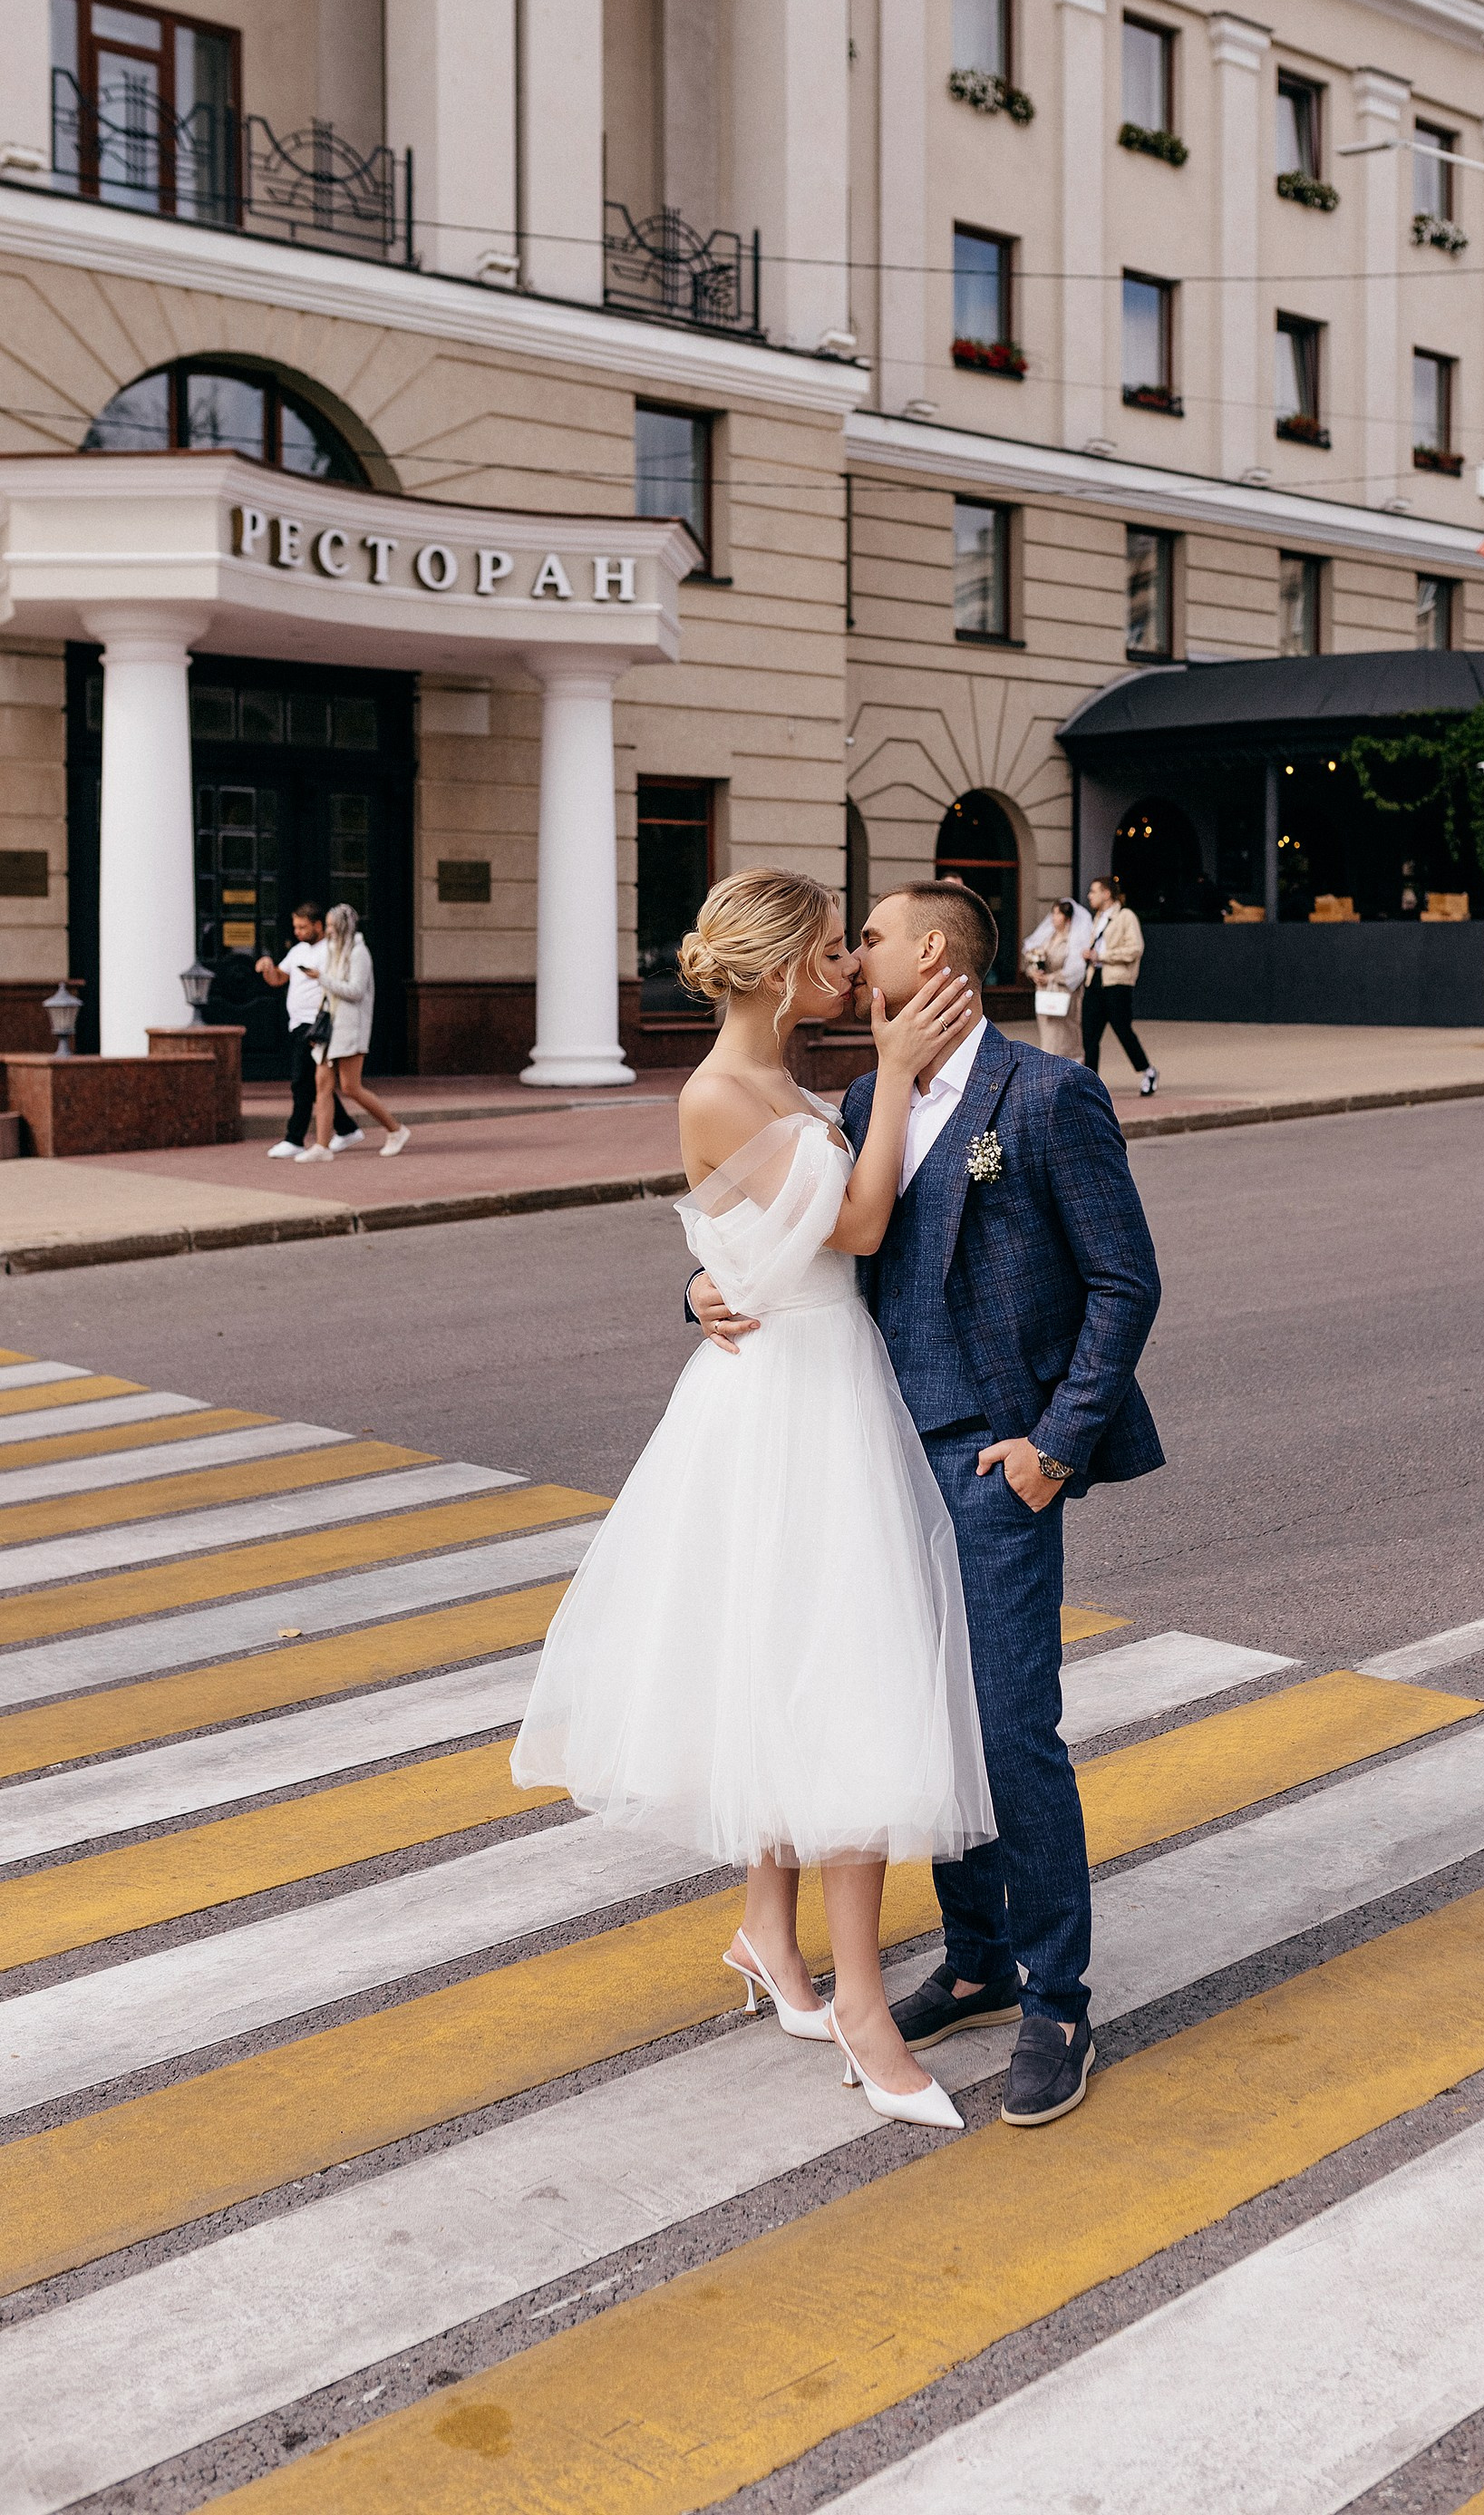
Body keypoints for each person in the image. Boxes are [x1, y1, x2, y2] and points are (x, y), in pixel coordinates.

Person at [512, 868, 991, 2130]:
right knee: (841, 1679)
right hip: (790, 1406)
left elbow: (747, 1249)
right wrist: (892, 1072)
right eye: (834, 952)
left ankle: (770, 1944)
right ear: (781, 972)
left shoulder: (782, 1085)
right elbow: (866, 1222)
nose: (849, 970)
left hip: (824, 1385)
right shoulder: (723, 1092)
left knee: (810, 1671)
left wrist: (708, 1281)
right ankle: (862, 2009)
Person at [691, 879, 1163, 2128]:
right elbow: (812, 1245)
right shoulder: (858, 1096)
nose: (858, 960)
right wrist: (706, 1281)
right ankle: (973, 1959)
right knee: (922, 1720)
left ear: (934, 955)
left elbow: (1125, 1283)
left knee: (1010, 1729)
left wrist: (1052, 1451)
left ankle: (1057, 1994)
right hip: (874, 1455)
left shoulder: (1049, 1096)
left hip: (992, 1462)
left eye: (876, 940)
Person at [294, 903, 410, 1161]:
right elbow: (329, 994)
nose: (330, 931)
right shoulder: (334, 951)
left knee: (351, 1087)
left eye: (333, 926)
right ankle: (322, 1147)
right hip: (329, 1029)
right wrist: (317, 1025)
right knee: (322, 1085)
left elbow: (355, 991)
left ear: (344, 926)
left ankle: (396, 1129)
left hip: (350, 1028)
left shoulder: (359, 953)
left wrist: (322, 978)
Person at [256, 902, 361, 1158]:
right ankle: (347, 1129)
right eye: (295, 927)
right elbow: (279, 978)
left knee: (301, 1081)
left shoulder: (332, 951)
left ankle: (295, 1138)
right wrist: (268, 969)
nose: (298, 931)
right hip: (297, 1022)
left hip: (316, 1023)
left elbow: (342, 985)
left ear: (317, 925)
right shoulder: (298, 951)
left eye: (303, 927)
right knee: (315, 1083)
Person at [1080, 874, 1158, 1096]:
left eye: (1094, 891)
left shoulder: (1125, 916)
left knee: (1123, 1030)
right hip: (1094, 980)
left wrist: (1102, 955)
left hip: (1116, 983)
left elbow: (1135, 948)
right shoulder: (1098, 918)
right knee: (1089, 1035)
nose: (1089, 896)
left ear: (1106, 893)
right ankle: (1089, 1083)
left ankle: (1147, 1070)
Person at [1022, 896, 1088, 1061]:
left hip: (1064, 992)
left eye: (1057, 914)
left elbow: (1076, 969)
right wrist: (1034, 972)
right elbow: (1034, 957)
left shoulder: (1074, 940)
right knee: (1049, 1037)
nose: (1053, 918)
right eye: (1053, 913)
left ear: (1067, 918)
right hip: (1045, 993)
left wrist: (1052, 977)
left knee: (1066, 1036)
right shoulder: (1048, 937)